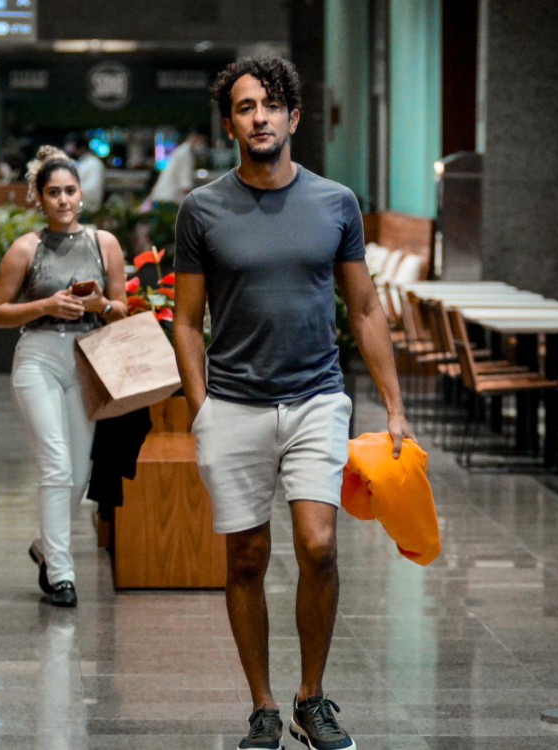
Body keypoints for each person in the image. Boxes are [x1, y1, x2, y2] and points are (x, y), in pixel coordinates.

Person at [172, 57, 413, 750]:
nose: (261, 117)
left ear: (294, 118)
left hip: (315, 398)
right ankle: (263, 706)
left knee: (319, 544)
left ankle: (313, 697)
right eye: (246, 107)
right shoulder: (202, 209)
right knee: (245, 557)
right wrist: (202, 407)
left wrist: (393, 406)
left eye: (272, 106)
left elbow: (365, 307)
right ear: (230, 124)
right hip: (235, 405)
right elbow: (187, 321)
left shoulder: (335, 203)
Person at [0, 146, 127, 607]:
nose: (63, 200)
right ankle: (61, 574)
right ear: (39, 199)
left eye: (69, 191)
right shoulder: (27, 248)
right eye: (53, 193)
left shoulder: (104, 243)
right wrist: (47, 305)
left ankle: (45, 545)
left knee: (79, 472)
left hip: (88, 357)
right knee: (55, 464)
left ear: (82, 194)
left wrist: (100, 305)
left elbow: (122, 308)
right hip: (39, 357)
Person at [145, 125, 209, 206]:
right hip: (169, 201)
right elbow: (186, 187)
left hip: (162, 199)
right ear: (196, 138)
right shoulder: (186, 155)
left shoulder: (181, 151)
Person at [64, 133, 106, 213]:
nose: (70, 151)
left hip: (88, 211)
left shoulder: (94, 163)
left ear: (82, 148)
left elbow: (93, 190)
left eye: (72, 148)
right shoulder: (77, 163)